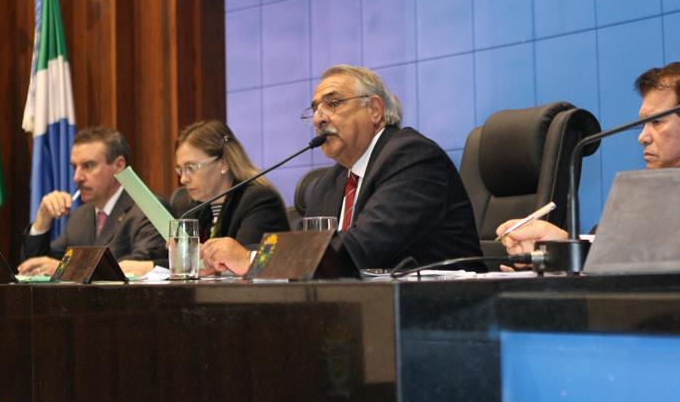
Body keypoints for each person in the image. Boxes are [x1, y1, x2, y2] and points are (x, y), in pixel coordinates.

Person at [200, 64, 482, 274]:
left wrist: (250, 261)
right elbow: (304, 249)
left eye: (333, 103)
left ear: (374, 109)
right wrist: (227, 259)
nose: (319, 118)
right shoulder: (329, 182)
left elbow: (360, 250)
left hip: (445, 319)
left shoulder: (412, 158)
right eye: (315, 109)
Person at [498, 60, 680, 255]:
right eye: (643, 125)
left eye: (656, 122)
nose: (643, 137)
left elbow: (669, 256)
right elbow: (604, 245)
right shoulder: (644, 191)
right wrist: (550, 252)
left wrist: (565, 245)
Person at [118, 120, 288, 276]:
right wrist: (148, 263)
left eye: (191, 167)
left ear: (223, 164)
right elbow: (182, 260)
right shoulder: (193, 207)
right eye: (180, 170)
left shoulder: (259, 200)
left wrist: (153, 266)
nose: (183, 179)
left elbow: (244, 260)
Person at [18, 126, 166, 276]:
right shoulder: (80, 217)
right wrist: (42, 220)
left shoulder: (150, 211)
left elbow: (136, 271)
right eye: (75, 167)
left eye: (88, 166)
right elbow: (36, 268)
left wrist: (67, 268)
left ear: (119, 165)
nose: (77, 177)